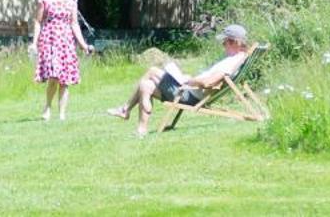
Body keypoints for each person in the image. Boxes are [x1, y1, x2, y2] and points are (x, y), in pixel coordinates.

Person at [108, 25, 253, 135]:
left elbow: (209, 83)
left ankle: (125, 109)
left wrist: (190, 81)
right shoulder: (237, 58)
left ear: (234, 42)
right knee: (146, 85)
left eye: (225, 42)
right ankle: (141, 129)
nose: (223, 45)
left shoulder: (231, 62)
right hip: (191, 91)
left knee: (152, 71)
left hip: (189, 95)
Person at [30, 0, 91, 120]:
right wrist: (34, 42)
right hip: (49, 41)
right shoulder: (44, 0)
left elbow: (74, 23)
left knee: (65, 80)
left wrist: (83, 45)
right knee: (53, 77)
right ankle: (48, 107)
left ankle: (62, 113)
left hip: (66, 42)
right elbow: (38, 21)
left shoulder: (71, 1)